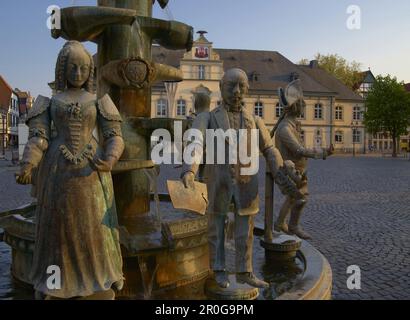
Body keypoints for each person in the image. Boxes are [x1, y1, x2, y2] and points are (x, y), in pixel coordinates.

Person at [16, 41, 125, 299]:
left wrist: (110, 159)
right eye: (72, 68)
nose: (78, 74)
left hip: (92, 171)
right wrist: (28, 164)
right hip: (57, 172)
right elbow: (39, 137)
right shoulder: (49, 102)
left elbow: (115, 136)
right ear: (62, 69)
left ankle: (98, 278)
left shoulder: (100, 101)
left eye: (83, 68)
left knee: (93, 227)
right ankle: (56, 281)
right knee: (59, 228)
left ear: (91, 70)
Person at [181, 68, 302, 289]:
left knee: (245, 231)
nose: (237, 91)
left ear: (247, 88)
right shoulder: (206, 117)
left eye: (242, 86)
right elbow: (196, 142)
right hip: (219, 183)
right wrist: (189, 169)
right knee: (216, 228)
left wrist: (283, 167)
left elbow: (269, 149)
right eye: (231, 86)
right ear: (221, 87)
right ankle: (218, 270)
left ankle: (245, 271)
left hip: (247, 185)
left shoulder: (255, 120)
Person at [274, 79, 333, 240]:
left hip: (299, 170)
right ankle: (288, 226)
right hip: (289, 171)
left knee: (295, 198)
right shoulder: (285, 128)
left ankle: (282, 224)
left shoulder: (293, 125)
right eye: (301, 105)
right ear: (295, 107)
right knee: (298, 198)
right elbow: (298, 150)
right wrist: (322, 153)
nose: (304, 107)